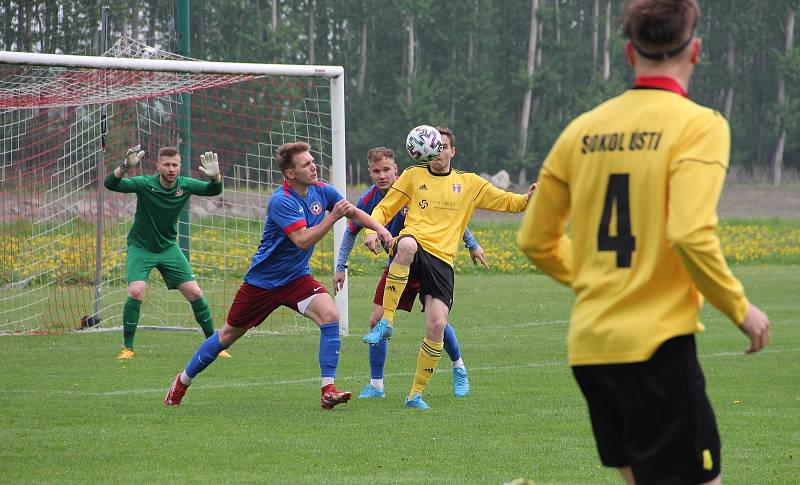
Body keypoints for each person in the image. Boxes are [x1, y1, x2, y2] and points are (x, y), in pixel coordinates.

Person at [516, 1, 771, 483]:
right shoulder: (700, 125)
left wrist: (602, 280)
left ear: (630, 54)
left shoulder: (581, 130)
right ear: (694, 51)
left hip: (591, 349)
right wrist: (740, 308)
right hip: (655, 347)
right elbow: (690, 233)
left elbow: (536, 240)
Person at [164, 141, 393, 409]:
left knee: (330, 315)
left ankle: (327, 390)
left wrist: (381, 229)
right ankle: (181, 382)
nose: (314, 166)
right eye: (306, 164)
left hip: (296, 279)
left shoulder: (322, 190)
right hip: (263, 284)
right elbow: (303, 241)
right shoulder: (281, 200)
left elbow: (353, 212)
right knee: (227, 335)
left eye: (312, 161)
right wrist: (331, 219)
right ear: (290, 174)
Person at [363, 127, 536, 410]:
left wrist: (527, 199)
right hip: (413, 244)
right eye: (433, 146)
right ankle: (387, 323)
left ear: (452, 151)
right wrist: (372, 231)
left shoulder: (468, 183)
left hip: (442, 260)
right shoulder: (412, 175)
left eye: (443, 146)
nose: (437, 151)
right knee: (405, 246)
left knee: (437, 325)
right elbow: (385, 208)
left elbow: (506, 201)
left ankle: (415, 395)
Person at [333, 147, 487, 399]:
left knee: (437, 323)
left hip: (428, 262)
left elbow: (452, 217)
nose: (382, 175)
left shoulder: (414, 187)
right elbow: (351, 232)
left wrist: (472, 244)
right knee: (376, 320)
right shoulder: (369, 200)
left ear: (396, 169)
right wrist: (341, 267)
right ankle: (376, 385)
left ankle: (458, 367)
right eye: (375, 171)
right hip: (398, 265)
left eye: (386, 170)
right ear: (369, 173)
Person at [105, 145, 229, 360]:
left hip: (168, 247)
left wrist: (216, 177)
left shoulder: (185, 185)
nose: (171, 169)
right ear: (158, 166)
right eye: (167, 164)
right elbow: (111, 184)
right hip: (141, 247)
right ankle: (128, 348)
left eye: (175, 165)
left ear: (179, 166)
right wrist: (124, 167)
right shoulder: (145, 184)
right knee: (136, 291)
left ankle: (215, 346)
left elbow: (213, 191)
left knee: (195, 293)